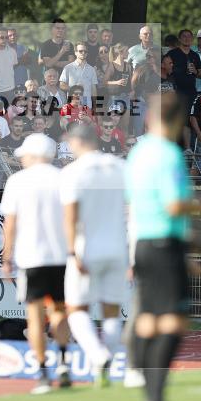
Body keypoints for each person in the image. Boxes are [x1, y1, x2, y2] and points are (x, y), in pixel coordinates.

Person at [125, 93, 201, 401]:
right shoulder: (169, 154)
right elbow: (174, 205)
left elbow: (132, 205)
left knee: (148, 318)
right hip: (165, 242)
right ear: (178, 121)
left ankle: (146, 386)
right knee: (173, 321)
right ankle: (155, 397)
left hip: (143, 242)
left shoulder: (138, 152)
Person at [1, 133, 71, 394]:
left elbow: (11, 223)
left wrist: (6, 257)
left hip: (32, 257)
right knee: (59, 312)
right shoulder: (63, 178)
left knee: (34, 316)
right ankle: (63, 361)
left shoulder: (17, 181)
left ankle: (43, 374)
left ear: (34, 154)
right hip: (61, 256)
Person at [60, 125, 127, 386]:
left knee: (77, 308)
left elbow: (70, 216)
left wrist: (71, 250)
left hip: (87, 247)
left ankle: (98, 356)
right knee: (111, 310)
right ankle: (109, 362)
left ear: (77, 141)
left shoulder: (72, 172)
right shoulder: (118, 166)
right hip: (117, 247)